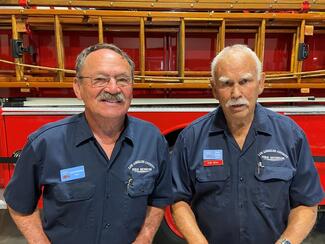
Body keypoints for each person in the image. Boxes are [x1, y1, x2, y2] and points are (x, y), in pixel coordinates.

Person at [4, 43, 172, 244]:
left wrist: (145, 237)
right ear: (78, 88)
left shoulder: (152, 139)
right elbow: (18, 204)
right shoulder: (45, 143)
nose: (112, 88)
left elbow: (159, 198)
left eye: (123, 80)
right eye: (100, 79)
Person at [171, 44, 324, 244]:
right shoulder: (191, 139)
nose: (236, 93)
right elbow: (178, 200)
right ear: (214, 89)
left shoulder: (290, 136)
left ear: (261, 83)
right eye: (226, 84)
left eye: (245, 81)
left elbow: (306, 203)